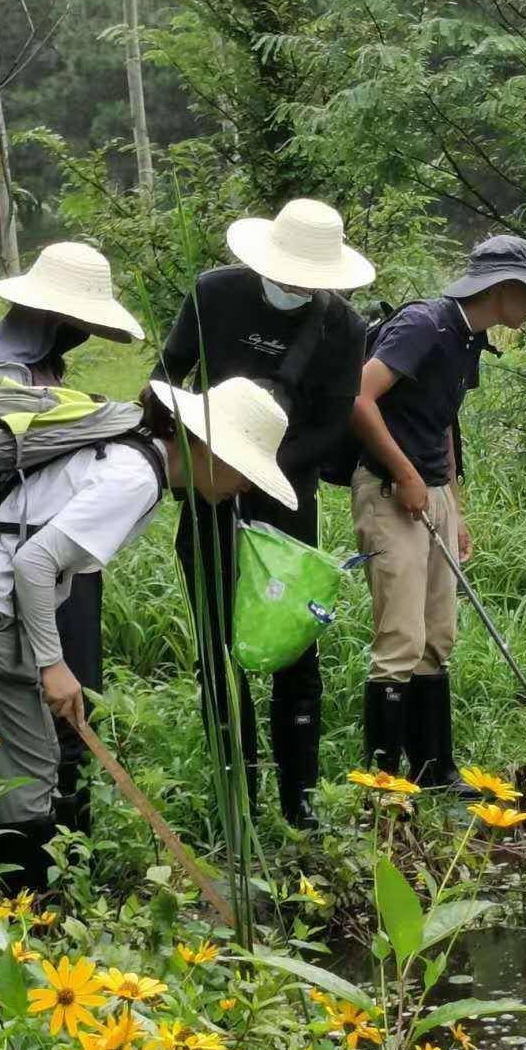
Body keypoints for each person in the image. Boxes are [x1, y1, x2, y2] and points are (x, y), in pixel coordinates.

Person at [0, 376, 297, 893]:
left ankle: (36, 913)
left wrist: (45, 657)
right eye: (245, 470)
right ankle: (28, 922)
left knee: (36, 760)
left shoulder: (140, 458)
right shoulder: (136, 479)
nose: (245, 486)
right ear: (207, 449)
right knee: (25, 776)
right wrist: (52, 664)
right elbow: (33, 563)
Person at [158, 199, 374, 829]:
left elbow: (334, 424)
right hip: (207, 490)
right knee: (218, 646)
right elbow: (166, 375)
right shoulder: (215, 295)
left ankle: (300, 800)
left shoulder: (343, 327)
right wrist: (195, 457)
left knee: (291, 644)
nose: (296, 286)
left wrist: (265, 470)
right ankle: (238, 798)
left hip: (286, 499)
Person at [351, 234, 526, 787]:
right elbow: (360, 398)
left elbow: (445, 422)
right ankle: (382, 784)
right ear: (502, 289)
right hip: (387, 490)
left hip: (434, 493)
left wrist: (455, 504)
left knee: (437, 636)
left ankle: (434, 770)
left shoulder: (471, 338)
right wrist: (404, 475)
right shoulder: (425, 325)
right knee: (400, 638)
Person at [0, 242, 145, 837]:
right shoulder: (2, 375)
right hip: (25, 556)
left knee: (77, 694)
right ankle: (52, 850)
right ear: (48, 319)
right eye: (74, 323)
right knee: (52, 695)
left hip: (58, 549)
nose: (80, 335)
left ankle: (74, 841)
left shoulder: (43, 370)